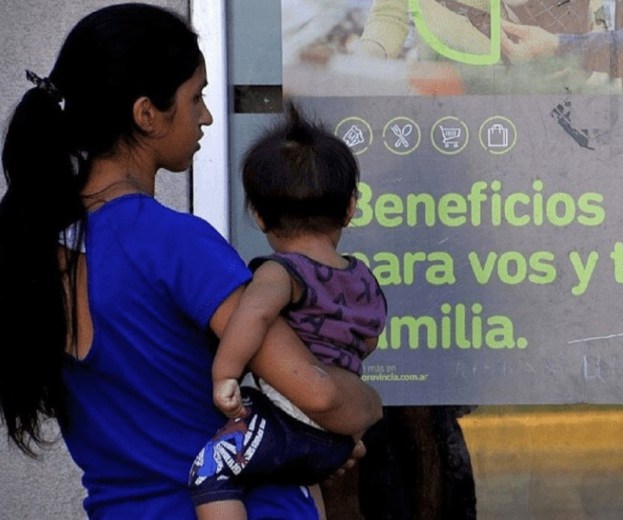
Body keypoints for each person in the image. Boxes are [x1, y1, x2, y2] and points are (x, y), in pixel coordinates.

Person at [0, 4, 381, 519]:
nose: (206, 116)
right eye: (196, 97)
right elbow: (318, 395)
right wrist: (367, 406)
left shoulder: (33, 248)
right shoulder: (172, 242)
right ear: (146, 114)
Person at [191, 103, 388, 520]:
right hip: (336, 437)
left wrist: (224, 374)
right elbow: (368, 339)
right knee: (295, 484)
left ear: (259, 216)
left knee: (211, 471)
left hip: (285, 419)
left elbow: (254, 315)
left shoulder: (281, 272)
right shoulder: (363, 278)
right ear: (349, 208)